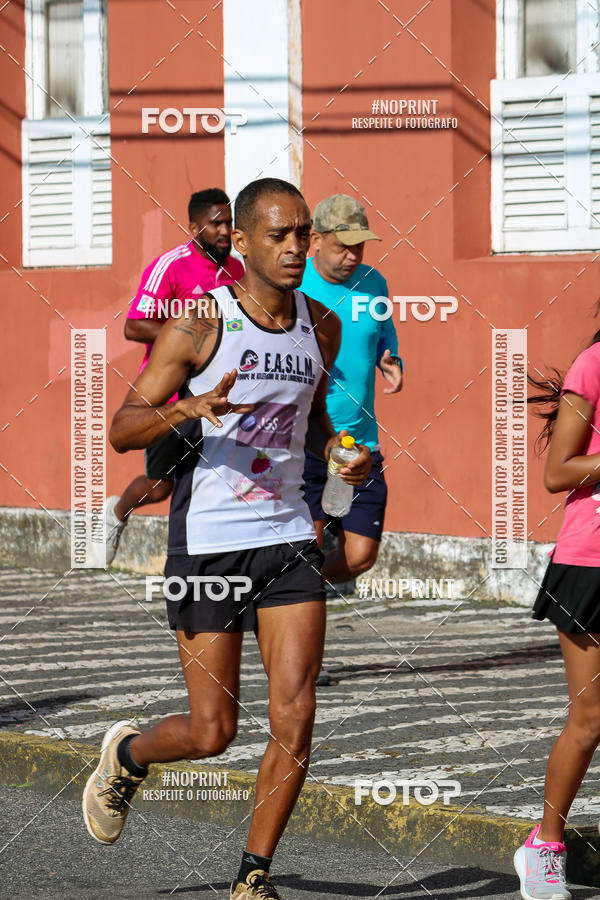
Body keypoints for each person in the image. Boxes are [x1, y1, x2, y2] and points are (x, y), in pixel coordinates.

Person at [82, 177, 371, 900]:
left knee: (296, 711)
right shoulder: (200, 323)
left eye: (303, 233)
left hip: (286, 541)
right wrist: (190, 407)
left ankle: (253, 876)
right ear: (240, 242)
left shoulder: (320, 325)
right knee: (214, 732)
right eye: (280, 235)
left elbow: (314, 431)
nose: (296, 247)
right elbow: (122, 428)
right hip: (208, 541)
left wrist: (342, 476)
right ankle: (129, 753)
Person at [103, 187, 245, 564]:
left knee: (215, 479)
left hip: (219, 393)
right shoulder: (171, 265)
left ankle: (208, 561)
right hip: (170, 396)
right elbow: (134, 326)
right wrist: (190, 340)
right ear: (195, 227)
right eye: (216, 224)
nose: (225, 231)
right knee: (161, 485)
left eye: (230, 223)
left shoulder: (238, 270)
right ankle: (116, 514)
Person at [513, 327, 600, 900]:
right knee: (591, 717)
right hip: (592, 561)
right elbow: (557, 473)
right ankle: (544, 846)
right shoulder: (593, 365)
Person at [300, 194, 403, 588]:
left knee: (360, 557)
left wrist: (391, 360)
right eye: (344, 247)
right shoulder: (295, 284)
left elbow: (385, 332)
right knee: (304, 547)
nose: (353, 256)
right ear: (317, 240)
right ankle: (295, 594)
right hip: (308, 442)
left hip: (359, 444)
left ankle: (300, 586)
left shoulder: (375, 283)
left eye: (359, 246)